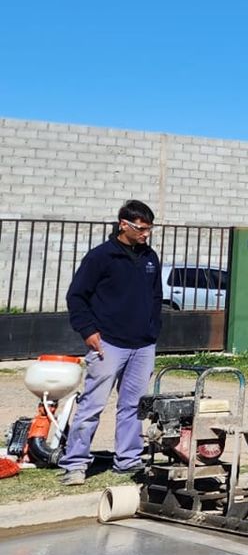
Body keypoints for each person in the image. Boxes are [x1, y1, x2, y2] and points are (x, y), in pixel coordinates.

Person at [59, 200, 164, 485]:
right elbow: (77, 296)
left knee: (133, 406)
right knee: (92, 405)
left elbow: (156, 297)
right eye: (141, 228)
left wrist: (153, 329)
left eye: (149, 229)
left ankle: (127, 459)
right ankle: (75, 464)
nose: (146, 234)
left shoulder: (150, 257)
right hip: (108, 343)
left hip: (142, 345)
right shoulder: (100, 257)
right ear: (123, 224)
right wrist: (88, 331)